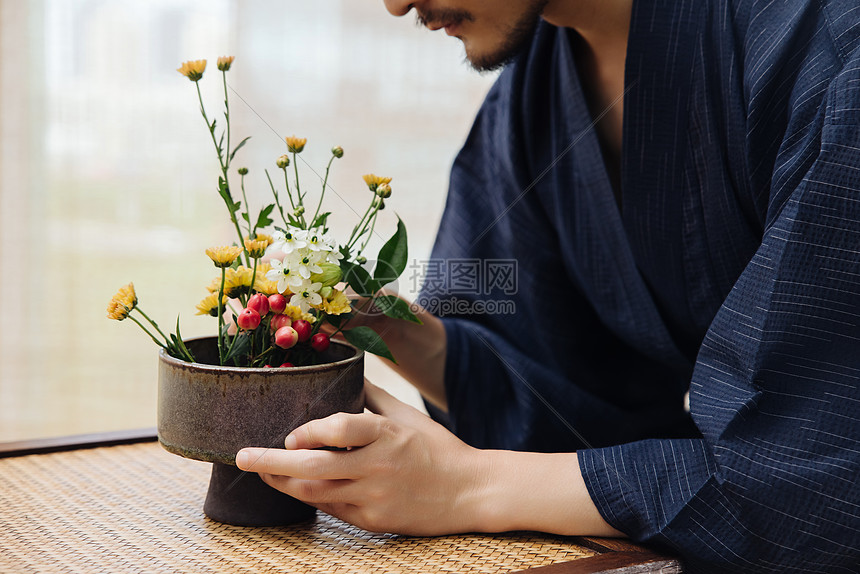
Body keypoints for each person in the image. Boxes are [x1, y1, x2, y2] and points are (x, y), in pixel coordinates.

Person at [237, 0, 860, 570]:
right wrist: (388, 325)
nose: (397, 3)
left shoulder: (826, 44)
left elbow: (805, 473)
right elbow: (590, 421)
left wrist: (468, 485)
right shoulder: (537, 89)